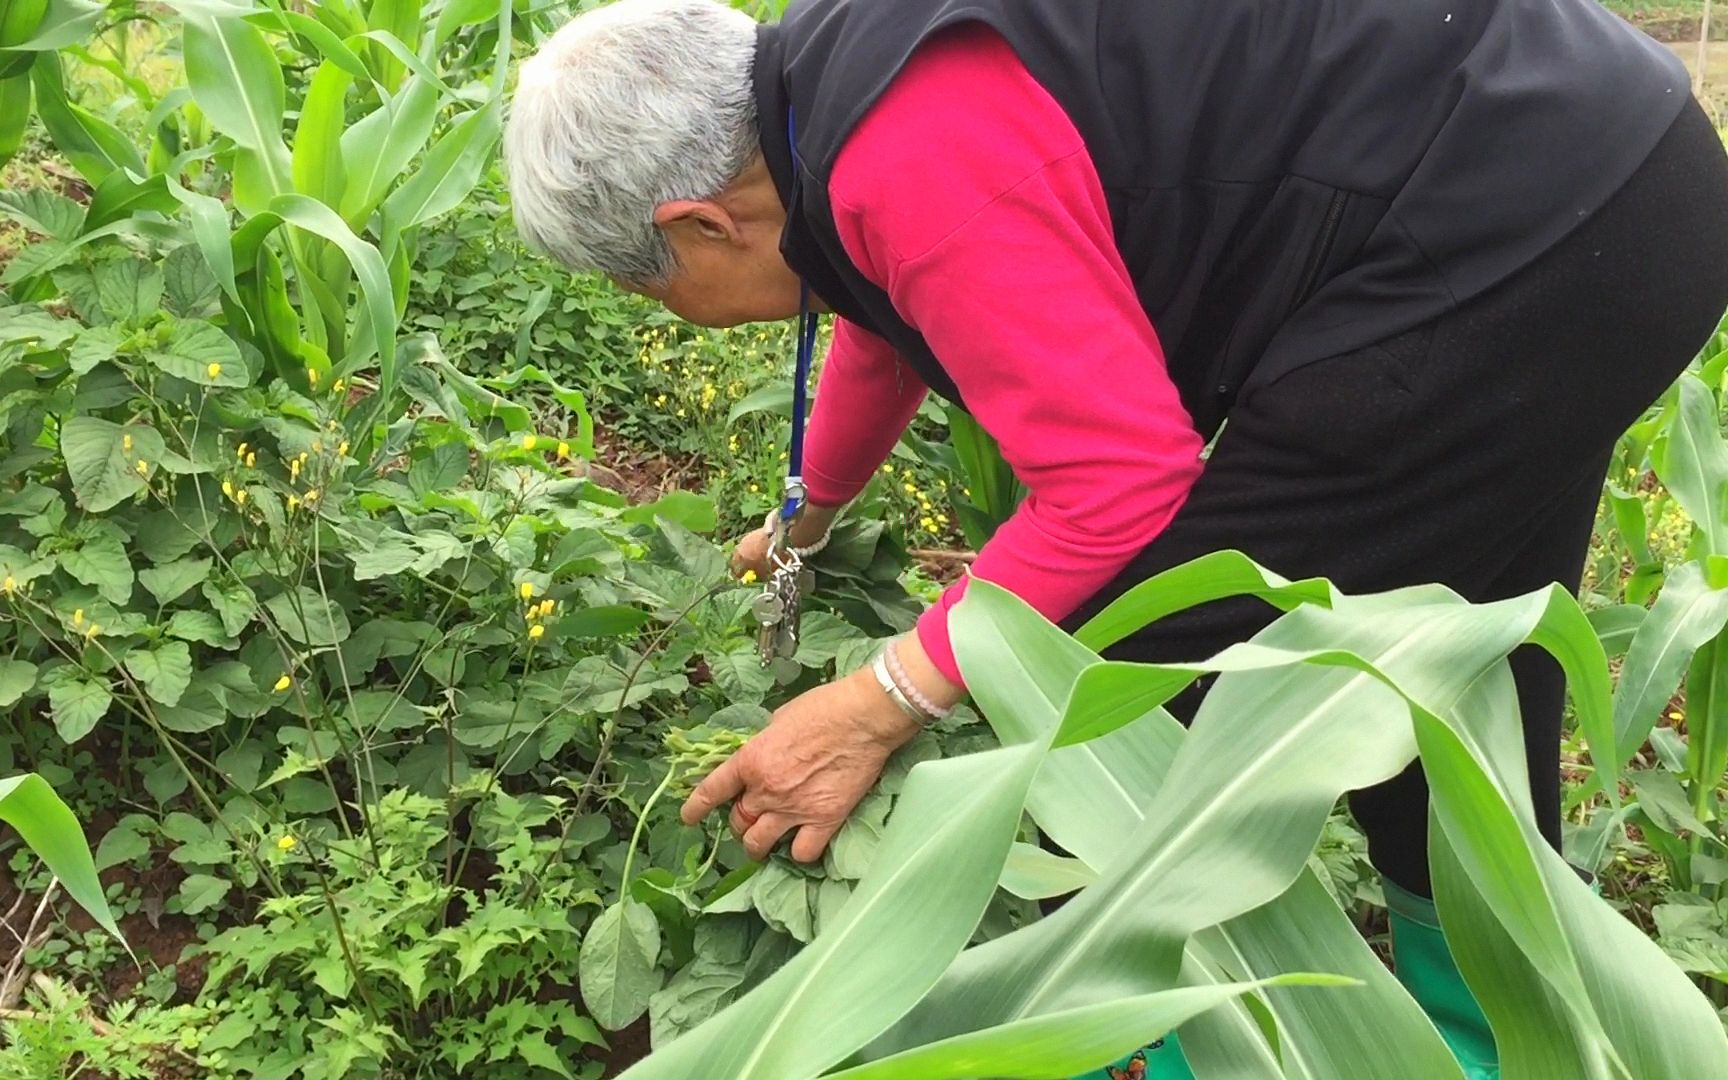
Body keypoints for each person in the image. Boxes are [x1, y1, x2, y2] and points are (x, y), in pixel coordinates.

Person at [504, 1, 1728, 1076]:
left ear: (702, 224)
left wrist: (876, 702)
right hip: (1604, 180)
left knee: (1158, 692)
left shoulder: (909, 157)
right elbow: (889, 324)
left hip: (1516, 238)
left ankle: (1183, 1038)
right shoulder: (827, 85)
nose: (673, 311)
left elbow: (1119, 484)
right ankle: (1503, 1032)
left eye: (650, 286)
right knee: (1454, 653)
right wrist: (807, 514)